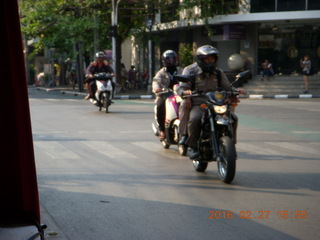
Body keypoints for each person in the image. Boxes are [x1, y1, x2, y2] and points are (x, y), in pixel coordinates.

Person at [177, 45, 246, 159]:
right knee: (195, 119)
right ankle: (193, 146)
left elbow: (227, 87)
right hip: (199, 103)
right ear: (200, 59)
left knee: (233, 119)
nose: (210, 61)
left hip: (216, 103)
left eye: (212, 58)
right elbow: (182, 87)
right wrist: (185, 92)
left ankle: (231, 147)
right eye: (207, 59)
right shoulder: (190, 70)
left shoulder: (218, 72)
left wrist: (237, 91)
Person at [152, 50, 183, 140]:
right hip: (165, 95)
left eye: (172, 59)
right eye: (168, 59)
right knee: (160, 105)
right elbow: (156, 82)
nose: (170, 61)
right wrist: (157, 89)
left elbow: (187, 80)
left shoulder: (181, 70)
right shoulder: (161, 72)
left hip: (179, 94)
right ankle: (162, 130)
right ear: (164, 60)